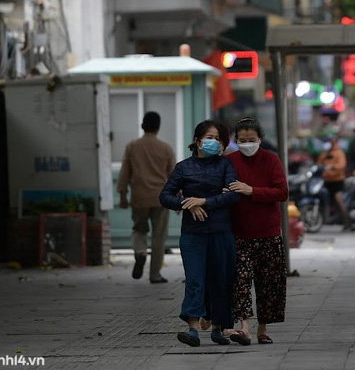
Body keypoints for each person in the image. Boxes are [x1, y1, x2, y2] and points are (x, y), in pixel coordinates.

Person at [159, 119, 240, 347]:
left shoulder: (225, 166)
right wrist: (187, 203)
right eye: (209, 137)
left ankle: (217, 327)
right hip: (193, 234)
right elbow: (165, 196)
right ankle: (192, 329)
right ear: (197, 140)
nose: (213, 142)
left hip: (221, 232)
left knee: (221, 280)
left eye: (218, 139)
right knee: (195, 279)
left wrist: (204, 201)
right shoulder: (183, 167)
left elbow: (233, 195)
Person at [225, 117, 288, 346]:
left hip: (268, 233)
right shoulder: (229, 161)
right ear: (236, 140)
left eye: (252, 140)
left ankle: (262, 328)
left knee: (268, 283)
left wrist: (252, 191)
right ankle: (244, 327)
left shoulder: (271, 160)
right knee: (240, 281)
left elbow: (282, 192)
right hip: (239, 233)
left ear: (260, 139)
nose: (247, 143)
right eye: (242, 140)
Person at [117, 111, 175, 283]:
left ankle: (141, 251)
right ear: (158, 127)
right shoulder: (165, 148)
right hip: (161, 198)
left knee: (138, 229)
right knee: (159, 236)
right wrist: (178, 198)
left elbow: (124, 173)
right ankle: (155, 275)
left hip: (139, 197)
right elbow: (174, 175)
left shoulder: (132, 146)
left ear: (143, 126)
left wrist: (122, 195)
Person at [316, 135, 349, 229]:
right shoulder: (324, 154)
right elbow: (319, 164)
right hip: (327, 180)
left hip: (337, 180)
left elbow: (342, 165)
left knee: (339, 200)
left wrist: (332, 167)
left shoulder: (339, 153)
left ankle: (347, 221)